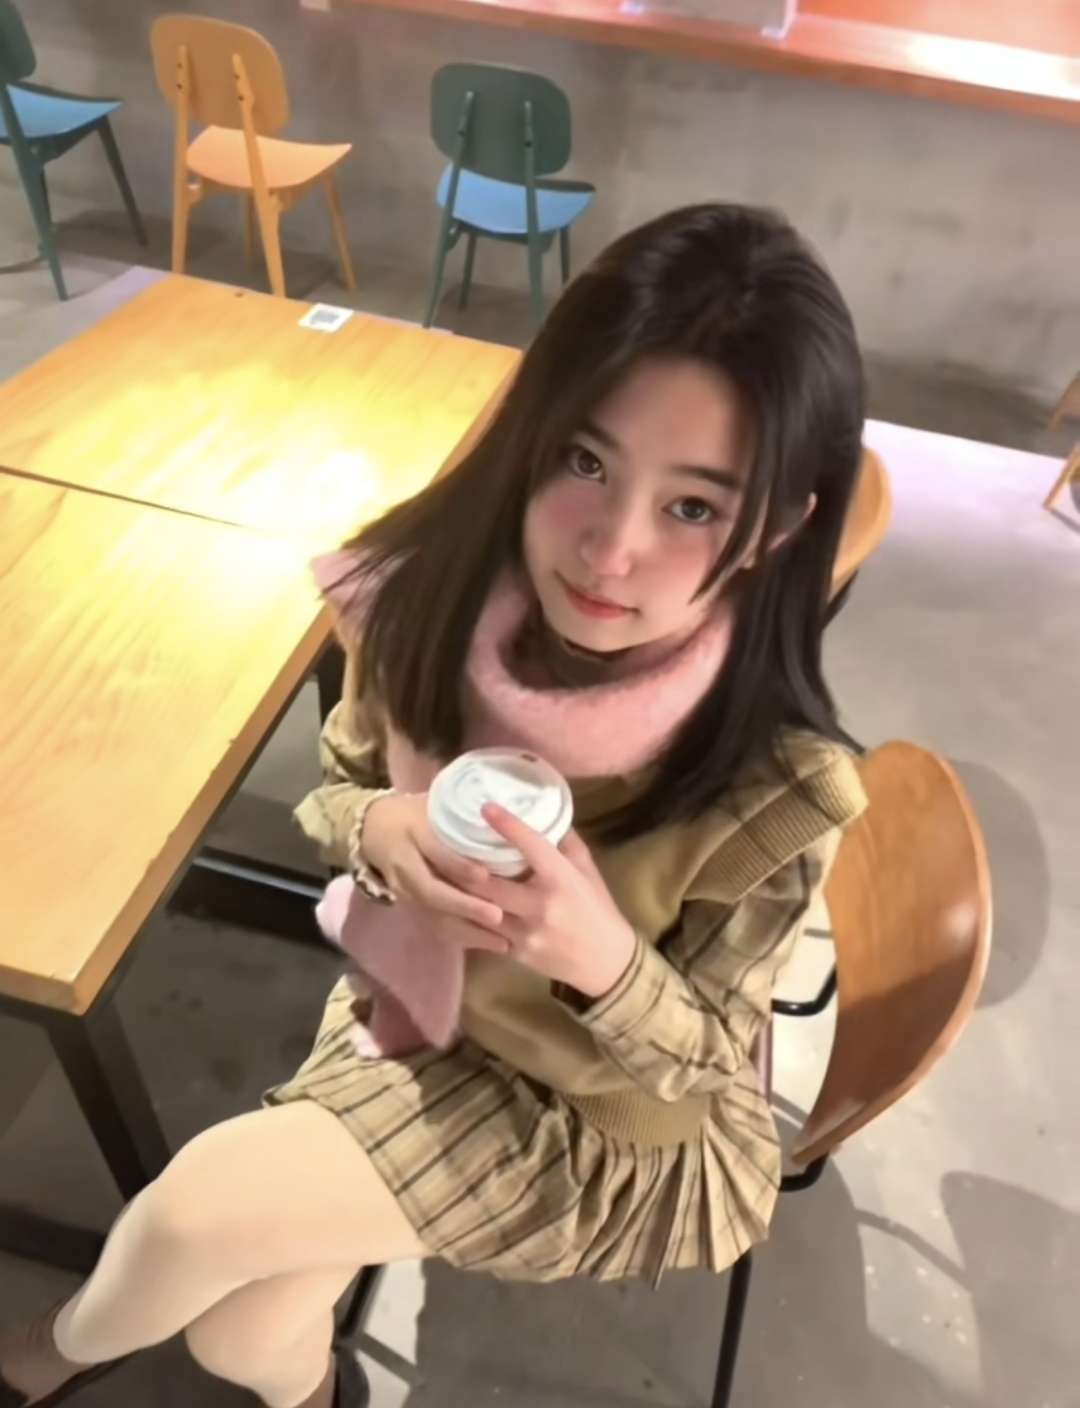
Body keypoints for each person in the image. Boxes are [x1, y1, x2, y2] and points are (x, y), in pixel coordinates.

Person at [0, 202, 868, 1408]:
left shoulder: (775, 786)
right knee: (242, 1334)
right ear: (531, 433)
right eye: (585, 461)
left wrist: (602, 958)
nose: (609, 548)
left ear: (775, 527)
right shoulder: (428, 604)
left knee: (188, 1220)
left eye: (692, 507)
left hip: (597, 1116)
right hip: (415, 1008)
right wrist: (380, 829)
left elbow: (712, 1066)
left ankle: (36, 1360)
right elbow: (341, 786)